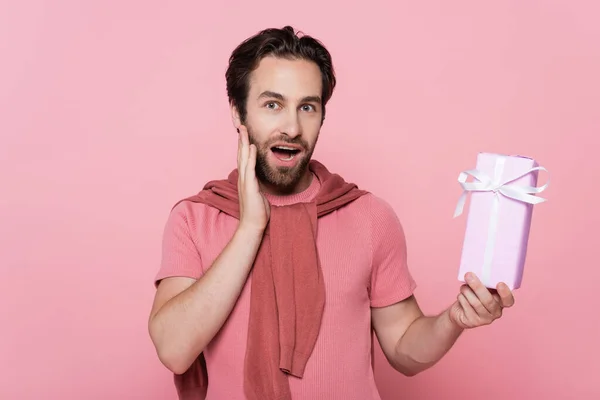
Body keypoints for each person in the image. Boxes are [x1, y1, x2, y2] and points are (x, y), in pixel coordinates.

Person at [148, 26, 515, 400]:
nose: (292, 127)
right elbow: (175, 351)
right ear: (237, 112)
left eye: (307, 107)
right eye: (272, 104)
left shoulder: (370, 217)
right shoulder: (194, 219)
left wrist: (453, 320)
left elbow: (404, 347)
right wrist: (251, 228)